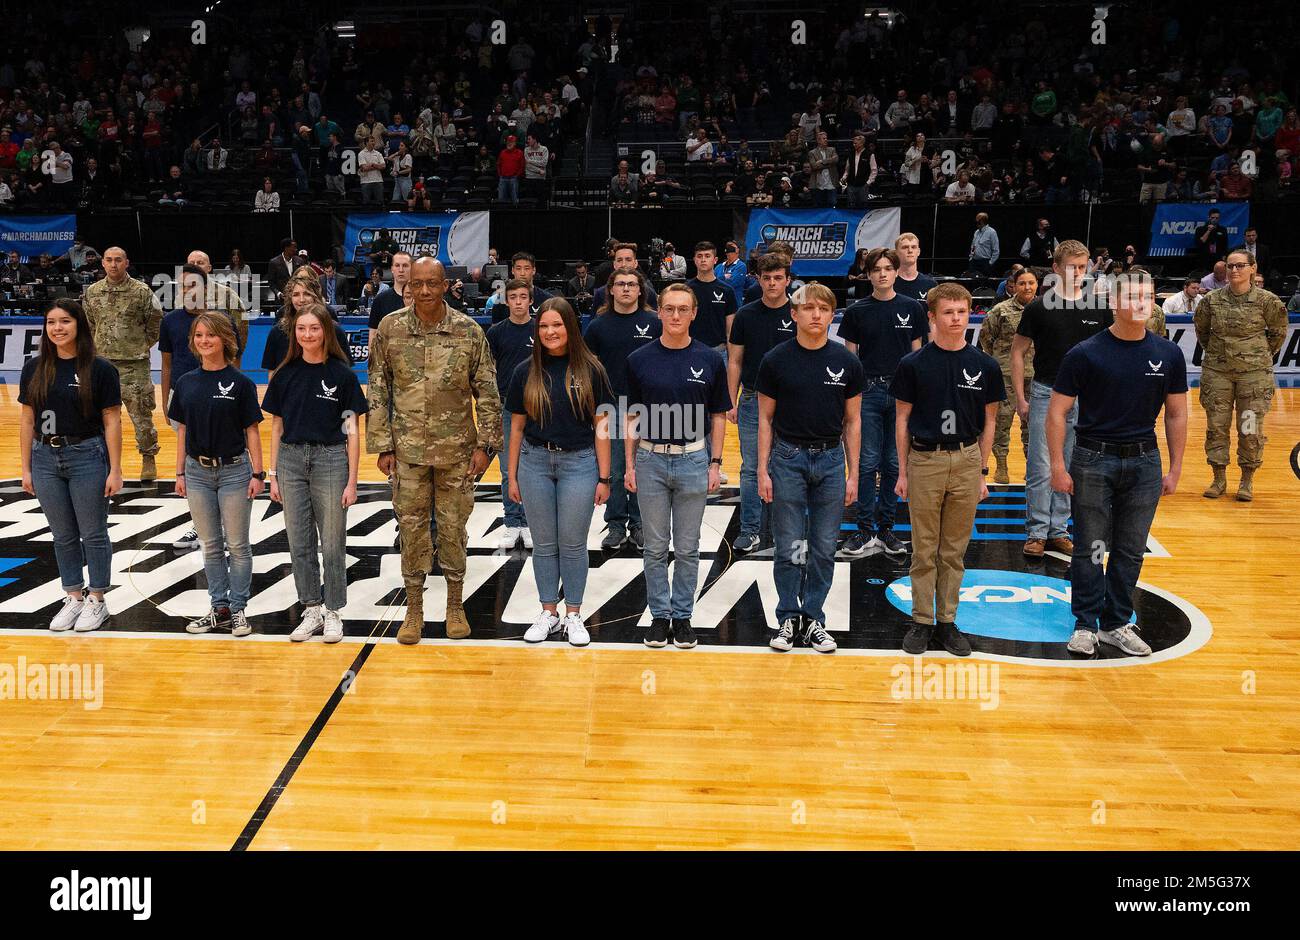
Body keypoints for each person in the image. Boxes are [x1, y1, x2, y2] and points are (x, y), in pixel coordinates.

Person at [1048, 272, 1187, 658]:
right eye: (1133, 296)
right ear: (1113, 302)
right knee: (1091, 547)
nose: (1141, 302)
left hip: (1144, 459)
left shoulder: (1169, 354)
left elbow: (1176, 415)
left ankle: (1115, 623)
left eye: (1148, 295)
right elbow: (1057, 413)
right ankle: (1084, 624)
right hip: (1093, 458)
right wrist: (1058, 465)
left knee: (1130, 549)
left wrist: (1175, 468)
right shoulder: (1085, 353)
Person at [367, 257, 503, 644]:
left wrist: (486, 447)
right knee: (410, 530)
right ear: (409, 284)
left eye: (432, 283)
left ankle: (455, 604)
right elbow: (377, 388)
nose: (424, 291)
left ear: (445, 286)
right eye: (418, 283)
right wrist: (382, 445)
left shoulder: (469, 331)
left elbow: (488, 393)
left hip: (457, 453)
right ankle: (414, 608)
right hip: (407, 453)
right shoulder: (392, 328)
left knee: (453, 530)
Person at [892, 283, 1003, 657]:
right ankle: (922, 621)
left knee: (953, 551)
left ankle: (947, 622)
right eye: (948, 313)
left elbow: (989, 422)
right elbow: (902, 420)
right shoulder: (913, 365)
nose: (955, 319)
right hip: (925, 459)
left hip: (968, 460)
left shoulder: (985, 365)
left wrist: (982, 470)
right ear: (932, 317)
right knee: (924, 549)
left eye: (961, 312)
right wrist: (904, 471)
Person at [757, 282, 862, 654]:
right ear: (794, 314)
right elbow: (765, 420)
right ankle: (788, 617)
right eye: (808, 308)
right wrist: (762, 470)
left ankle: (814, 618)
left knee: (822, 547)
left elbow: (853, 422)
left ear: (832, 316)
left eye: (823, 309)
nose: (816, 314)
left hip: (832, 460)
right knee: (787, 546)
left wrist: (853, 473)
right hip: (787, 459)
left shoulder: (847, 362)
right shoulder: (775, 360)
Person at [625, 284, 729, 649]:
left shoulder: (711, 360)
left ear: (694, 313)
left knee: (687, 547)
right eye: (669, 309)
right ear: (660, 313)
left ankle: (682, 616)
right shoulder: (639, 359)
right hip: (650, 460)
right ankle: (659, 616)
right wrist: (629, 465)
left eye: (683, 309)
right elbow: (632, 416)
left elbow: (718, 416)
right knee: (655, 547)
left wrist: (715, 463)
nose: (675, 316)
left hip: (694, 460)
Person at [507, 298, 613, 647]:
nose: (550, 332)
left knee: (573, 544)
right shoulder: (525, 371)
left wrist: (604, 476)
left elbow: (602, 426)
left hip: (579, 464)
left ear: (570, 327)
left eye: (557, 325)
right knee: (544, 545)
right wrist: (512, 475)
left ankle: (574, 614)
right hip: (534, 463)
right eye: (543, 327)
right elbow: (517, 428)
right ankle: (548, 612)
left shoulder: (592, 369)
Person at [19, 300, 123, 632]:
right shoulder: (34, 368)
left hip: (87, 456)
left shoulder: (100, 368)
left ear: (79, 325)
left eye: (65, 321)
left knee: (93, 533)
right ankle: (73, 596)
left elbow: (112, 421)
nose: (58, 328)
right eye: (51, 322)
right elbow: (27, 420)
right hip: (45, 457)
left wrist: (116, 468)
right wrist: (26, 468)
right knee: (63, 535)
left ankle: (97, 599)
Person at [265, 304, 366, 644]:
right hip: (291, 461)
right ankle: (311, 608)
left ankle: (334, 610)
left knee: (333, 541)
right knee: (299, 541)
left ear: (326, 331)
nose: (307, 334)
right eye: (301, 329)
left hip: (331, 461)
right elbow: (277, 427)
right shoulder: (284, 373)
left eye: (314, 328)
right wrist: (273, 474)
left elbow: (352, 431)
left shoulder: (343, 375)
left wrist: (352, 480)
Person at [1011, 240, 1112, 558]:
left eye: (1082, 267)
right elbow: (1017, 352)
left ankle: (1058, 530)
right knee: (1040, 465)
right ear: (1055, 269)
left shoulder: (1098, 307)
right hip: (1046, 393)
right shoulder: (1039, 307)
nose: (1077, 273)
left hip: (1086, 397)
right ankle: (1037, 531)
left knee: (1071, 464)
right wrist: (1020, 397)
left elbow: (1109, 355)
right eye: (1071, 267)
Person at [168, 313, 266, 637]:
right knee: (210, 545)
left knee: (237, 545)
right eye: (198, 336)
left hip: (236, 472)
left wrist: (258, 473)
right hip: (196, 472)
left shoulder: (242, 384)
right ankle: (218, 607)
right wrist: (180, 471)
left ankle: (238, 609)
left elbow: (252, 430)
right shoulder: (185, 383)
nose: (204, 341)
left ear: (225, 339)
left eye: (210, 335)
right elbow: (182, 431)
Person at [837, 248, 924, 558]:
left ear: (896, 271)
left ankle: (886, 528)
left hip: (903, 394)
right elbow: (850, 358)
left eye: (888, 268)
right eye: (877, 269)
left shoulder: (912, 308)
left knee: (893, 463)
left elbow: (918, 355)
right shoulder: (857, 311)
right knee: (867, 460)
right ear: (869, 274)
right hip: (869, 392)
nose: (883, 273)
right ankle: (863, 529)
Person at [1193, 249, 1288, 502]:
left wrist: (1255, 355)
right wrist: (1220, 354)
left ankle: (1247, 479)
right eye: (1231, 266)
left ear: (1253, 268)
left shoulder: (1268, 301)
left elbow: (1278, 334)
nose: (1234, 270)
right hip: (1217, 373)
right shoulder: (1211, 300)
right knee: (1217, 427)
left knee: (1249, 427)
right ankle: (1219, 478)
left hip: (1253, 376)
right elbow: (1202, 331)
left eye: (1240, 266)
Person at [585, 269, 662, 550]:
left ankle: (640, 524)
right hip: (610, 404)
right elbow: (589, 369)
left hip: (648, 405)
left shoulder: (655, 322)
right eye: (621, 284)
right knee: (615, 469)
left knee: (642, 468)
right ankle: (616, 524)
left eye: (632, 284)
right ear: (612, 290)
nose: (627, 288)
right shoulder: (597, 326)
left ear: (640, 290)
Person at [727, 253, 796, 552]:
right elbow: (735, 360)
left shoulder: (798, 312)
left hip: (792, 401)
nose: (772, 283)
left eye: (778, 278)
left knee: (789, 466)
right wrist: (730, 399)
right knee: (752, 466)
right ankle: (751, 528)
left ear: (788, 280)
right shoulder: (746, 314)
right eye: (766, 278)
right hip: (753, 397)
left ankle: (784, 529)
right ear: (758, 279)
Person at [81, 247, 162, 482]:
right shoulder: (93, 293)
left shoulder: (141, 291)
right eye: (109, 260)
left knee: (141, 415)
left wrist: (138, 345)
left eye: (118, 260)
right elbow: (89, 326)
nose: (113, 264)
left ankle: (148, 457)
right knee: (101, 417)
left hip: (134, 365)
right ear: (103, 264)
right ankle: (104, 461)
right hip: (102, 366)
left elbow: (155, 324)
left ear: (127, 263)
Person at [485, 279, 535, 549]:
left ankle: (528, 522)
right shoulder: (496, 332)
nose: (517, 301)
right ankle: (512, 521)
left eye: (522, 296)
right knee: (508, 469)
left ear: (530, 299)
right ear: (506, 301)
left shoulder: (540, 329)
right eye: (513, 297)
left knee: (531, 468)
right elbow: (486, 371)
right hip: (506, 407)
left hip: (536, 408)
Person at [978, 266, 1037, 483]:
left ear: (1037, 284)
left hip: (1036, 375)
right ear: (1013, 286)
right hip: (1005, 375)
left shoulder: (1044, 309)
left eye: (1031, 283)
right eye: (1022, 283)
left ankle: (1031, 467)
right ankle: (1001, 466)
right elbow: (986, 338)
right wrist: (1001, 360)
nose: (1027, 287)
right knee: (1001, 422)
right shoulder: (1000, 310)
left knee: (1033, 425)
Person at [263, 275, 353, 378]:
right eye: (296, 294)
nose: (301, 300)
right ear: (290, 298)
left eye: (307, 294)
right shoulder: (277, 332)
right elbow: (272, 372)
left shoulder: (334, 331)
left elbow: (346, 372)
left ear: (316, 296)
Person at [685, 241, 737, 356]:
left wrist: (732, 358)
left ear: (715, 260)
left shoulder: (727, 291)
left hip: (719, 351)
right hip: (690, 349)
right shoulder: (686, 290)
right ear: (694, 260)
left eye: (707, 256)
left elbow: (730, 331)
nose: (703, 259)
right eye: (699, 256)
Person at [367, 250, 412, 351]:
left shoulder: (421, 298)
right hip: (388, 361)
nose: (401, 270)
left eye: (405, 265)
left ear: (412, 268)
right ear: (392, 269)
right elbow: (373, 334)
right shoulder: (380, 300)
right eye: (397, 265)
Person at [893, 233, 938, 306]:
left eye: (913, 247)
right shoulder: (889, 283)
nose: (910, 250)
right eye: (905, 247)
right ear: (896, 253)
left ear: (918, 251)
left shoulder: (930, 284)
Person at [968, 212, 1000, 278]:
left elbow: (996, 250)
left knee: (985, 284)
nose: (976, 222)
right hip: (974, 262)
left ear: (982, 221)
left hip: (985, 263)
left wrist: (990, 263)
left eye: (977, 220)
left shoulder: (992, 232)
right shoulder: (976, 232)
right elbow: (973, 246)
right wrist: (971, 257)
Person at [358, 137, 386, 205]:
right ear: (367, 143)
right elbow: (364, 168)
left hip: (378, 180)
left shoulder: (378, 153)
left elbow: (383, 166)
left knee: (380, 202)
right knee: (366, 202)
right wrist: (377, 166)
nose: (374, 143)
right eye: (372, 141)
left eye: (374, 141)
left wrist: (372, 165)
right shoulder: (361, 154)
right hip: (366, 181)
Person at [719, 241, 748, 306]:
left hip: (735, 304)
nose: (729, 249)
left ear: (737, 250)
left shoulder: (741, 266)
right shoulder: (719, 267)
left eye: (731, 247)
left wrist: (719, 280)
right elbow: (711, 282)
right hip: (719, 304)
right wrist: (724, 277)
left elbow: (732, 284)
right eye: (728, 247)